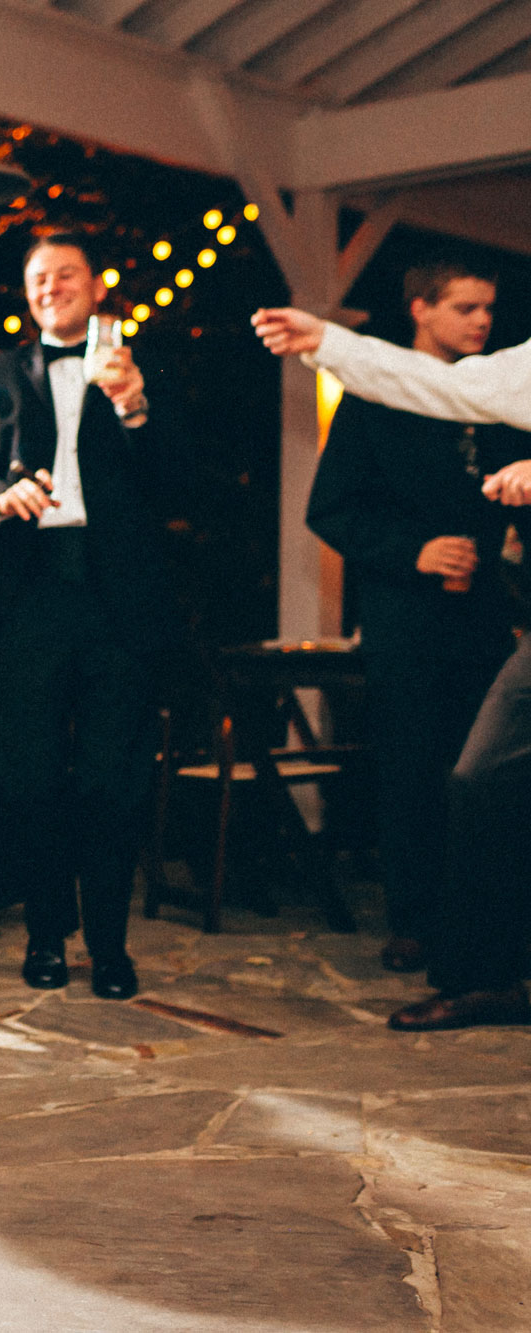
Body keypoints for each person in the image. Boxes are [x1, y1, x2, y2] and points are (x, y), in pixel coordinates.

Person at [256, 302, 531, 1030]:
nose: (480, 317)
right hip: (429, 628)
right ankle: (481, 976)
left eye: (486, 306)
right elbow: (441, 384)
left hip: (481, 626)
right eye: (464, 305)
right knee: (474, 776)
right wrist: (333, 343)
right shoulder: (512, 374)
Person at [0, 233, 179, 1002]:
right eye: (39, 279)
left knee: (114, 782)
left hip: (119, 601)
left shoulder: (137, 363)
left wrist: (133, 401)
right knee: (32, 778)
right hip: (32, 596)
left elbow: (174, 476)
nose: (52, 287)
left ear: (94, 284)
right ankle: (46, 936)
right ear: (29, 292)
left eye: (66, 275)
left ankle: (110, 946)